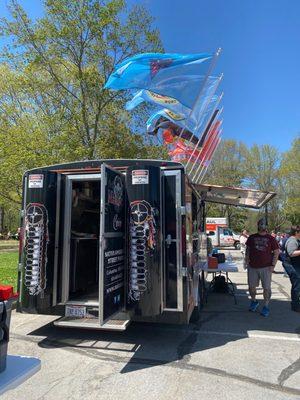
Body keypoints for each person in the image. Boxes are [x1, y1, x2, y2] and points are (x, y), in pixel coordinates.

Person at [245, 218, 279, 317]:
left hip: (266, 267)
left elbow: (276, 252)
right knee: (251, 287)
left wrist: (273, 265)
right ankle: (254, 301)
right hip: (252, 267)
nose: (262, 226)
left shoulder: (271, 238)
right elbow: (248, 249)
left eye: (264, 224)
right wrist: (246, 260)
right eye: (261, 224)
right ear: (258, 225)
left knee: (266, 288)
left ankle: (266, 306)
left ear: (266, 226)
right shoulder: (251, 237)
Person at [282, 226, 300, 312]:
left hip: (295, 264)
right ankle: (295, 305)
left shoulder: (296, 239)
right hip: (291, 265)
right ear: (296, 232)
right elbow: (291, 253)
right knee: (297, 284)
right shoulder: (292, 240)